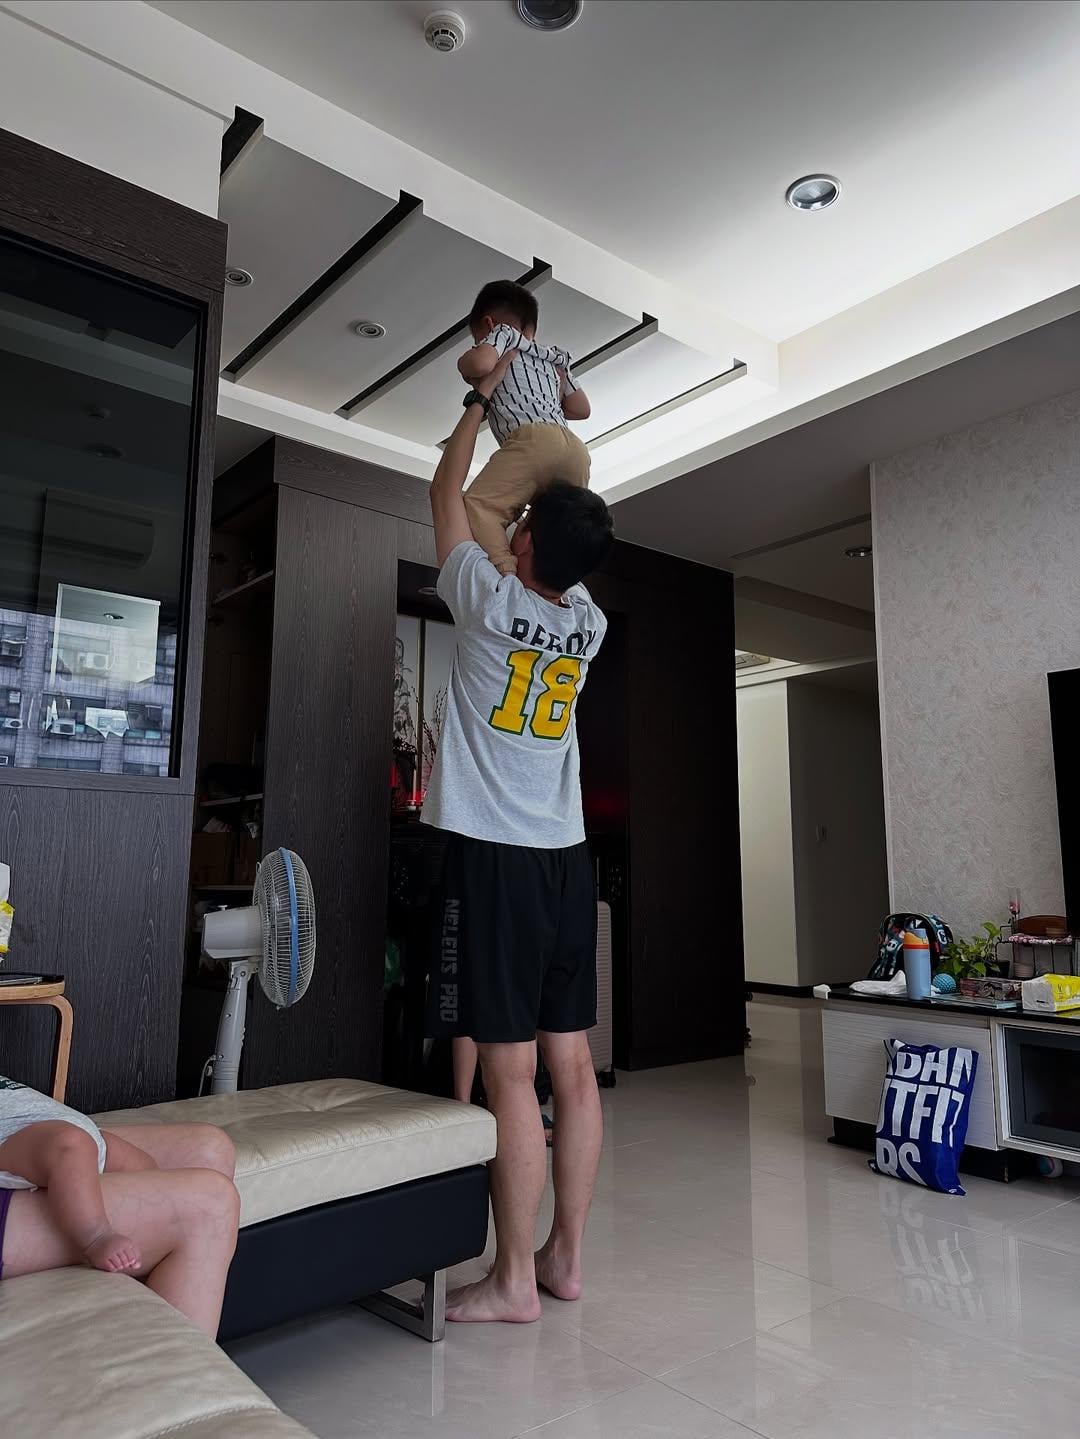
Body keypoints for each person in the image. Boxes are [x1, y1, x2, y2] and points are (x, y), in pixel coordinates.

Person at [423, 353, 613, 1324]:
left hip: (495, 858)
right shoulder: (590, 624)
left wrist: (480, 401)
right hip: (567, 860)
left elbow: (448, 494)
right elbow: (544, 543)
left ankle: (511, 1280)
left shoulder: (485, 599)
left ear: (526, 540)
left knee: (509, 1073)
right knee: (571, 1067)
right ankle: (563, 1258)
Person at [0, 1075, 239, 1337]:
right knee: (211, 1204)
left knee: (211, 1150)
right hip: (29, 1143)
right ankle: (96, 1237)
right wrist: (97, 1236)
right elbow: (65, 1144)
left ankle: (150, 1296)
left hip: (38, 1122)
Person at [457, 280, 592, 577]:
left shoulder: (504, 335)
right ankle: (559, 581)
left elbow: (480, 364)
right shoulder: (554, 357)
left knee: (480, 506)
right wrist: (554, 399)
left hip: (533, 442)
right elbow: (582, 409)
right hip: (576, 451)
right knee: (562, 525)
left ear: (488, 324)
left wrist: (464, 363)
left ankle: (507, 574)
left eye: (478, 339)